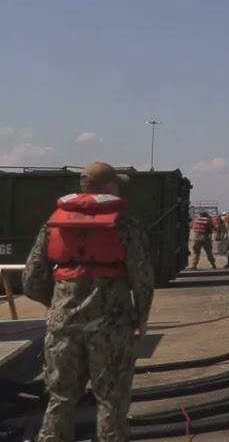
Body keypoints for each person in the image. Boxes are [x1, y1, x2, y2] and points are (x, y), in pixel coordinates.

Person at [22, 162, 154, 442]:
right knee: (111, 401)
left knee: (59, 400)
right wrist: (141, 316)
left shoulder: (53, 223)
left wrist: (57, 306)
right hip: (111, 326)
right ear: (108, 187)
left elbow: (31, 279)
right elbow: (142, 277)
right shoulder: (126, 224)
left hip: (62, 325)